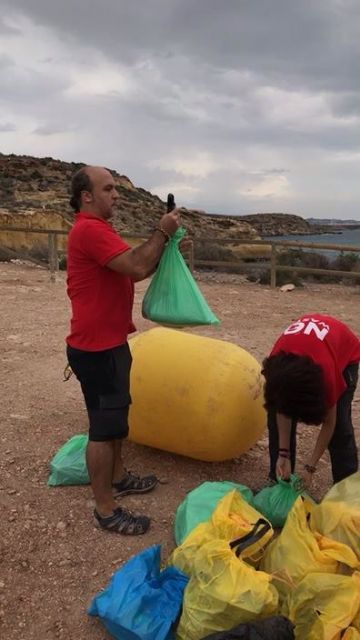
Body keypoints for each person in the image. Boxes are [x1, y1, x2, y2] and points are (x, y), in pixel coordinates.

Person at [66, 165, 180, 535]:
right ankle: (105, 509)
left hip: (109, 343)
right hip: (96, 349)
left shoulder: (100, 230)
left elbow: (138, 269)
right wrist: (163, 230)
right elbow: (135, 266)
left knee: (116, 420)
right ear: (87, 196)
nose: (116, 195)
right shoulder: (90, 230)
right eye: (109, 189)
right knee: (102, 428)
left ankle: (118, 478)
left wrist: (166, 245)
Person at [262, 314, 360, 488]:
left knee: (340, 427)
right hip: (305, 351)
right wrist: (283, 454)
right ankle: (280, 478)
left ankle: (346, 489)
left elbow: (329, 423)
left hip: (345, 354)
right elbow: (282, 408)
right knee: (277, 414)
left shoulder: (326, 378)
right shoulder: (275, 369)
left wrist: (310, 468)